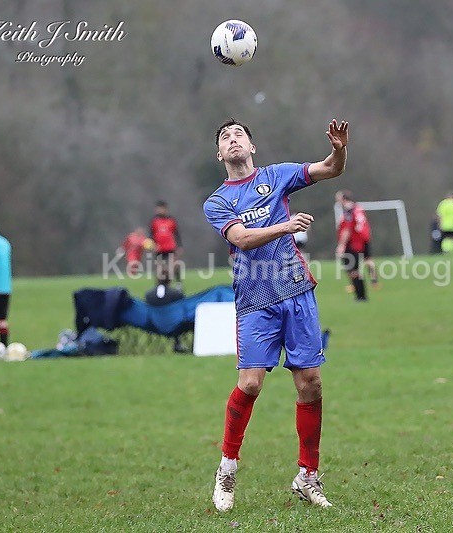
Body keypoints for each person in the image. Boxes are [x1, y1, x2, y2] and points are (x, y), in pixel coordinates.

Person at [202, 117, 349, 511]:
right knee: (250, 384)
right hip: (254, 298)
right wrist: (285, 225)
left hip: (296, 291)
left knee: (311, 384)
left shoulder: (277, 175)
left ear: (252, 146)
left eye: (239, 135)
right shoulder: (216, 202)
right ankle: (227, 469)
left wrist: (338, 149)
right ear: (220, 154)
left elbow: (330, 169)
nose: (232, 140)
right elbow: (242, 239)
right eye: (225, 137)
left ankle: (308, 476)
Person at [335, 190, 378, 300]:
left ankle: (360, 295)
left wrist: (341, 245)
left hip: (353, 243)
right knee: (366, 261)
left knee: (352, 269)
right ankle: (372, 281)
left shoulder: (349, 211)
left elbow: (347, 230)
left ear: (343, 199)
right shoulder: (358, 208)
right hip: (363, 240)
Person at [144, 276, 188, 353]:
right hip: (174, 326)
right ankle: (179, 344)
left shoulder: (148, 295)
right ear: (170, 280)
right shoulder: (176, 294)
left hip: (153, 325)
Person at [150, 201, 182, 283]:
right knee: (159, 269)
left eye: (161, 209)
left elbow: (176, 233)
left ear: (165, 209)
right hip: (159, 249)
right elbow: (151, 235)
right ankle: (159, 286)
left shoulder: (171, 220)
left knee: (174, 266)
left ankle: (178, 283)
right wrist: (152, 245)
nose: (160, 210)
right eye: (158, 209)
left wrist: (180, 246)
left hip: (170, 248)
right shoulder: (154, 221)